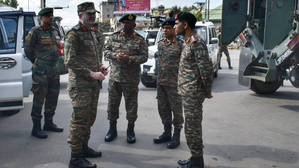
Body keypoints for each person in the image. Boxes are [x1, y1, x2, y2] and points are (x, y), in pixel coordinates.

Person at [64, 2, 109, 168]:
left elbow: (92, 57)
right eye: (88, 13)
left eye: (93, 13)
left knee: (89, 119)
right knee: (79, 121)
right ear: (80, 15)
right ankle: (75, 159)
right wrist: (91, 73)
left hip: (92, 85)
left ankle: (83, 148)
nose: (92, 16)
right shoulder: (73, 34)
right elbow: (70, 61)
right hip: (80, 86)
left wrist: (100, 67)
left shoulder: (90, 33)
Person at [174, 12, 214, 168]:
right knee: (191, 126)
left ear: (185, 25)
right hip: (187, 91)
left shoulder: (196, 43)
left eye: (177, 24)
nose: (175, 26)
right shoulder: (188, 42)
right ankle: (195, 158)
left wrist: (207, 90)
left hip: (193, 93)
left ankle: (197, 161)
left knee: (192, 127)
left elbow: (206, 69)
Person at [104, 13, 148, 144]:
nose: (124, 25)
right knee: (112, 104)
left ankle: (130, 130)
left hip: (131, 79)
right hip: (115, 78)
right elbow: (106, 51)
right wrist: (115, 55)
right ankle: (112, 129)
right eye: (122, 23)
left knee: (131, 105)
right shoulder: (113, 37)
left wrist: (130, 59)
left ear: (134, 25)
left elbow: (144, 57)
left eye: (128, 23)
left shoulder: (139, 40)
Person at [24, 7, 63, 139]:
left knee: (53, 97)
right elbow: (27, 49)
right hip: (41, 69)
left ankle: (49, 123)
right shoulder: (35, 32)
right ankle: (36, 127)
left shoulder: (55, 31)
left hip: (54, 68)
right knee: (39, 97)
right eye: (48, 16)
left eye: (52, 15)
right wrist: (36, 61)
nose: (51, 18)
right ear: (41, 18)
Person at [153, 18, 184, 149]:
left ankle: (176, 136)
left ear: (174, 29)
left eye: (168, 28)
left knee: (176, 111)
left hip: (175, 84)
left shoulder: (181, 44)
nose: (165, 30)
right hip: (162, 84)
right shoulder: (160, 44)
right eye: (163, 28)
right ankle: (167, 133)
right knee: (163, 110)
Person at [91, 22, 105, 89]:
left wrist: (93, 46)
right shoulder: (90, 33)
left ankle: (100, 83)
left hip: (98, 55)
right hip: (91, 56)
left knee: (100, 68)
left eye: (93, 27)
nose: (92, 28)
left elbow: (101, 46)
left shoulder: (100, 35)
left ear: (96, 27)